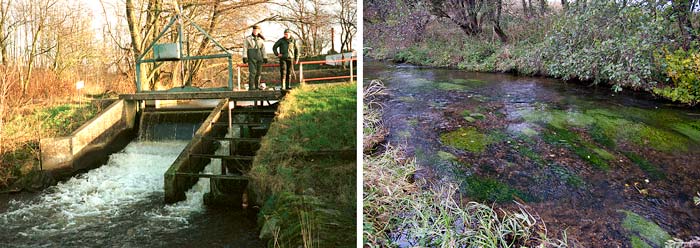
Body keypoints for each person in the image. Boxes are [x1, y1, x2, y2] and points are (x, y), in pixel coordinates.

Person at [242, 25, 267, 90]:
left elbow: (263, 49)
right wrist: (244, 57)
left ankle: (257, 86)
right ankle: (251, 87)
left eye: (257, 30)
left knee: (258, 72)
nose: (255, 31)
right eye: (254, 30)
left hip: (259, 57)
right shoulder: (248, 39)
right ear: (252, 30)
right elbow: (245, 48)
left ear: (259, 31)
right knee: (252, 72)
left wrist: (265, 57)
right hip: (251, 56)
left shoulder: (261, 39)